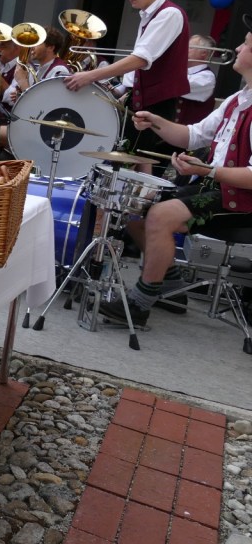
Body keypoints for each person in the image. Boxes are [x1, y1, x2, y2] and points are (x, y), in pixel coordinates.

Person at [100, 17, 252, 328]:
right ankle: (171, 287)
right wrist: (155, 121)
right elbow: (192, 136)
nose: (238, 47)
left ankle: (139, 305)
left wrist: (209, 170)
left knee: (160, 215)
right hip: (216, 188)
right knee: (136, 210)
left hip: (242, 200)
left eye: (246, 44)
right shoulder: (236, 100)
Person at [65, 0, 189, 170]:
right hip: (144, 98)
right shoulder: (150, 14)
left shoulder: (169, 14)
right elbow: (142, 62)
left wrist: (89, 75)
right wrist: (124, 90)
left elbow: (141, 58)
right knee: (137, 160)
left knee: (129, 161)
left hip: (156, 101)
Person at [6, 26, 71, 104]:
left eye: (37, 43)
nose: (32, 47)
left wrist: (22, 81)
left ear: (50, 48)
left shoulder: (59, 70)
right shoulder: (40, 69)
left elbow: (46, 105)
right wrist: (21, 96)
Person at [176, 35, 218, 126]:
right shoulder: (182, 72)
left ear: (203, 53)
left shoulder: (207, 77)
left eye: (190, 47)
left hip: (186, 132)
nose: (184, 49)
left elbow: (175, 85)